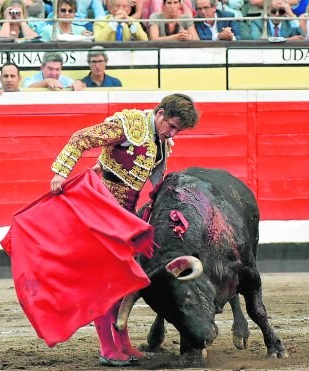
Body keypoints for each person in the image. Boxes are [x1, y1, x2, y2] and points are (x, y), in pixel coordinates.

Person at [49, 93, 199, 366]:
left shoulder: (160, 140)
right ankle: (108, 348)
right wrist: (61, 172)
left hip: (124, 214)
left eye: (178, 130)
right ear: (161, 113)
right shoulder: (129, 125)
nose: (173, 133)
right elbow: (81, 138)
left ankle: (123, 344)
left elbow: (144, 178)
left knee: (120, 281)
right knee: (104, 281)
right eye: (173, 126)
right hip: (101, 210)